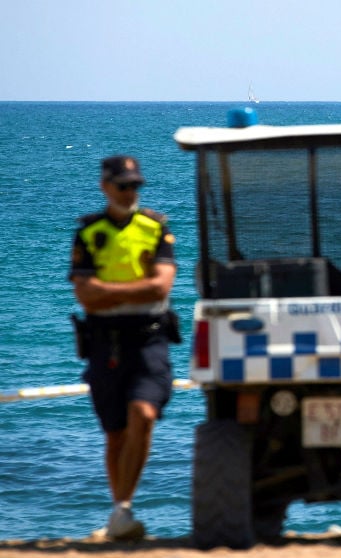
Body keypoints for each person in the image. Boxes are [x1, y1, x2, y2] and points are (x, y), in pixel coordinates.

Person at [69, 155, 178, 540]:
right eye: (123, 186)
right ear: (105, 187)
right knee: (115, 433)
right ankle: (121, 514)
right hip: (105, 343)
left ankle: (123, 509)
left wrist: (106, 292)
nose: (131, 193)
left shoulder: (155, 227)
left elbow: (161, 286)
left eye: (136, 186)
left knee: (144, 413)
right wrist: (129, 291)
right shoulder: (89, 232)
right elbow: (86, 299)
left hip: (149, 339)